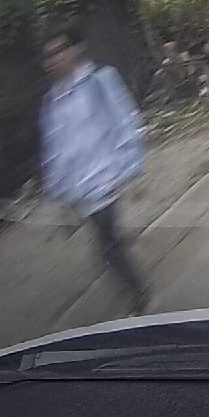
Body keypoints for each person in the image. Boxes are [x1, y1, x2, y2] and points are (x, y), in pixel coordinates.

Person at [39, 27, 149, 313]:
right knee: (108, 241)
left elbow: (126, 120)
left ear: (76, 49)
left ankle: (137, 295)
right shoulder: (52, 102)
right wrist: (60, 194)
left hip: (106, 176)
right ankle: (133, 283)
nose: (54, 59)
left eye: (59, 51)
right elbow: (56, 149)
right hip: (81, 187)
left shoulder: (100, 81)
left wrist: (132, 169)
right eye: (49, 55)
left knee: (106, 245)